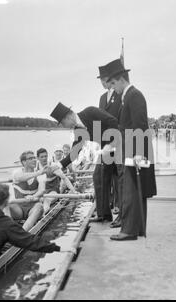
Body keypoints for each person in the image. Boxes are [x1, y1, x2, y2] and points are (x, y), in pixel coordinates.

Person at [105, 58, 157, 241]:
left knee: (132, 190)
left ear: (121, 79)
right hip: (130, 149)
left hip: (135, 151)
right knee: (133, 189)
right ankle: (135, 228)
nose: (112, 88)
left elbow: (140, 126)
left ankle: (129, 230)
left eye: (112, 83)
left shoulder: (134, 95)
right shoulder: (127, 96)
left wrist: (138, 155)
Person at [50, 102, 119, 223]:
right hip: (106, 151)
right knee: (98, 177)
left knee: (119, 180)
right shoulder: (78, 130)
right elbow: (75, 151)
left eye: (62, 123)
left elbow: (113, 121)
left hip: (119, 145)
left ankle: (122, 215)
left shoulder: (90, 112)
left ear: (68, 116)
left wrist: (110, 144)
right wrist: (59, 164)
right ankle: (104, 215)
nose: (64, 126)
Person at [97, 64, 123, 228]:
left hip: (117, 141)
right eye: (100, 80)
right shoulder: (101, 98)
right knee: (102, 176)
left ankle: (120, 209)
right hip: (105, 144)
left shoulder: (120, 95)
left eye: (103, 79)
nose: (102, 82)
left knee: (119, 177)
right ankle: (104, 213)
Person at [9, 151, 47, 231]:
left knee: (39, 206)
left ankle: (21, 234)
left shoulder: (41, 175)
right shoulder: (17, 172)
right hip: (19, 209)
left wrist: (33, 196)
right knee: (6, 203)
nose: (34, 160)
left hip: (32, 208)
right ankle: (7, 231)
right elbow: (20, 178)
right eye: (30, 158)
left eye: (34, 158)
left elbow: (42, 190)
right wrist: (38, 173)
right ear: (24, 162)